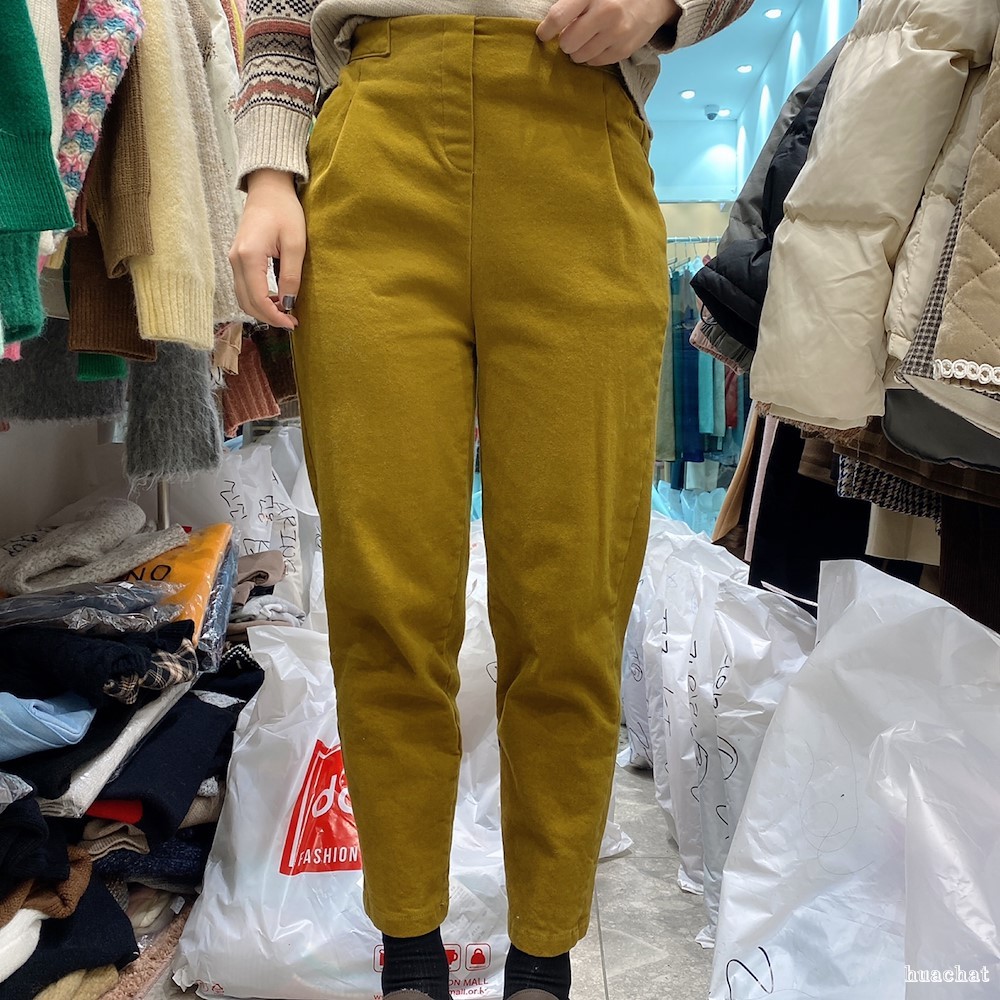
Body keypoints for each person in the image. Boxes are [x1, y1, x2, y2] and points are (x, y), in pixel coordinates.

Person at [229, 2, 751, 998]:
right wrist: (268, 169)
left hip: (575, 135)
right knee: (385, 599)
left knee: (570, 605)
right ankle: (409, 954)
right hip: (376, 138)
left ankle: (543, 957)